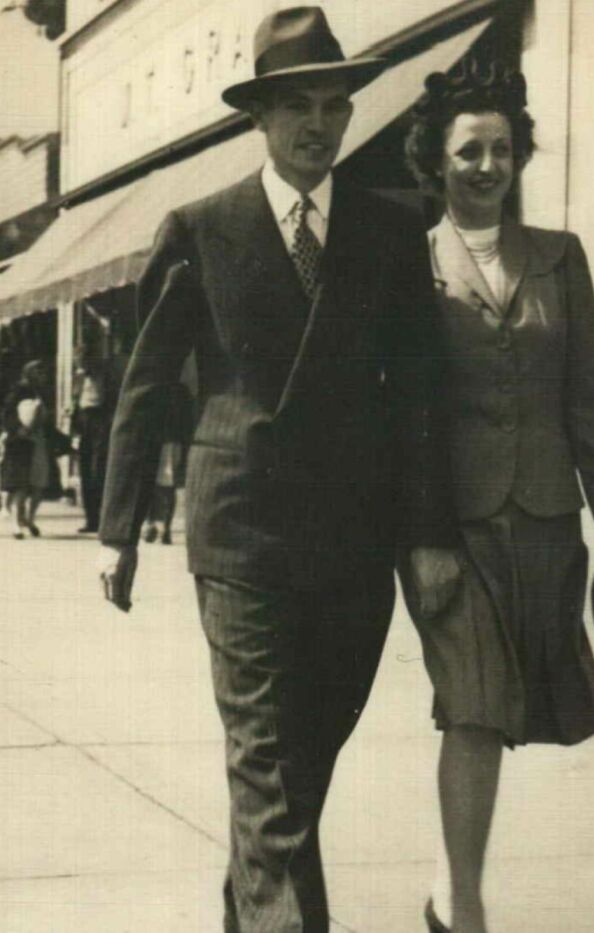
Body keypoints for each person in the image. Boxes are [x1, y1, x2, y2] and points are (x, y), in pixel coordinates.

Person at [97, 8, 462, 932]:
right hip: (243, 537)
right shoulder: (200, 228)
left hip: (354, 542)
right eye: (297, 106)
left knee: (297, 767)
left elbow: (421, 397)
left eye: (335, 106)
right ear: (258, 119)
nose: (319, 125)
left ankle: (248, 912)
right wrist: (118, 531)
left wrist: (427, 536)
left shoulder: (390, 230)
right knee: (264, 759)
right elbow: (145, 389)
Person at [403, 58, 594, 933]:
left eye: (502, 149)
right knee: (472, 701)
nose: (487, 166)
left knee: (505, 707)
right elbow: (403, 416)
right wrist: (417, 538)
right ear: (436, 158)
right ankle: (462, 905)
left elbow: (589, 400)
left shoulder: (559, 257)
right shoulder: (412, 261)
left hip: (545, 521)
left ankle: (445, 884)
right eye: (469, 149)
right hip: (452, 530)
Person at [0, 359, 55, 539]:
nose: (44, 376)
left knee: (38, 483)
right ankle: (17, 523)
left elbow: (45, 419)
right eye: (40, 373)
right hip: (20, 442)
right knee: (20, 485)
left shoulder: (41, 392)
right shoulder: (19, 390)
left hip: (38, 441)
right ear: (31, 373)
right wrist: (17, 429)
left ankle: (30, 519)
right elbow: (7, 413)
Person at [141, 381, 194, 545]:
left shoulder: (177, 390)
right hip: (161, 439)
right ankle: (155, 525)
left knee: (162, 483)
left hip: (167, 439)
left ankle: (161, 526)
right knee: (158, 482)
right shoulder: (180, 390)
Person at [72, 349, 111, 533]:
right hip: (83, 423)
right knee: (85, 472)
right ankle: (91, 520)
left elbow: (110, 401)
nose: (79, 363)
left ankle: (104, 519)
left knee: (99, 472)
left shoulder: (105, 376)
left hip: (100, 422)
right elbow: (74, 402)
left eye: (82, 359)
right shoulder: (78, 378)